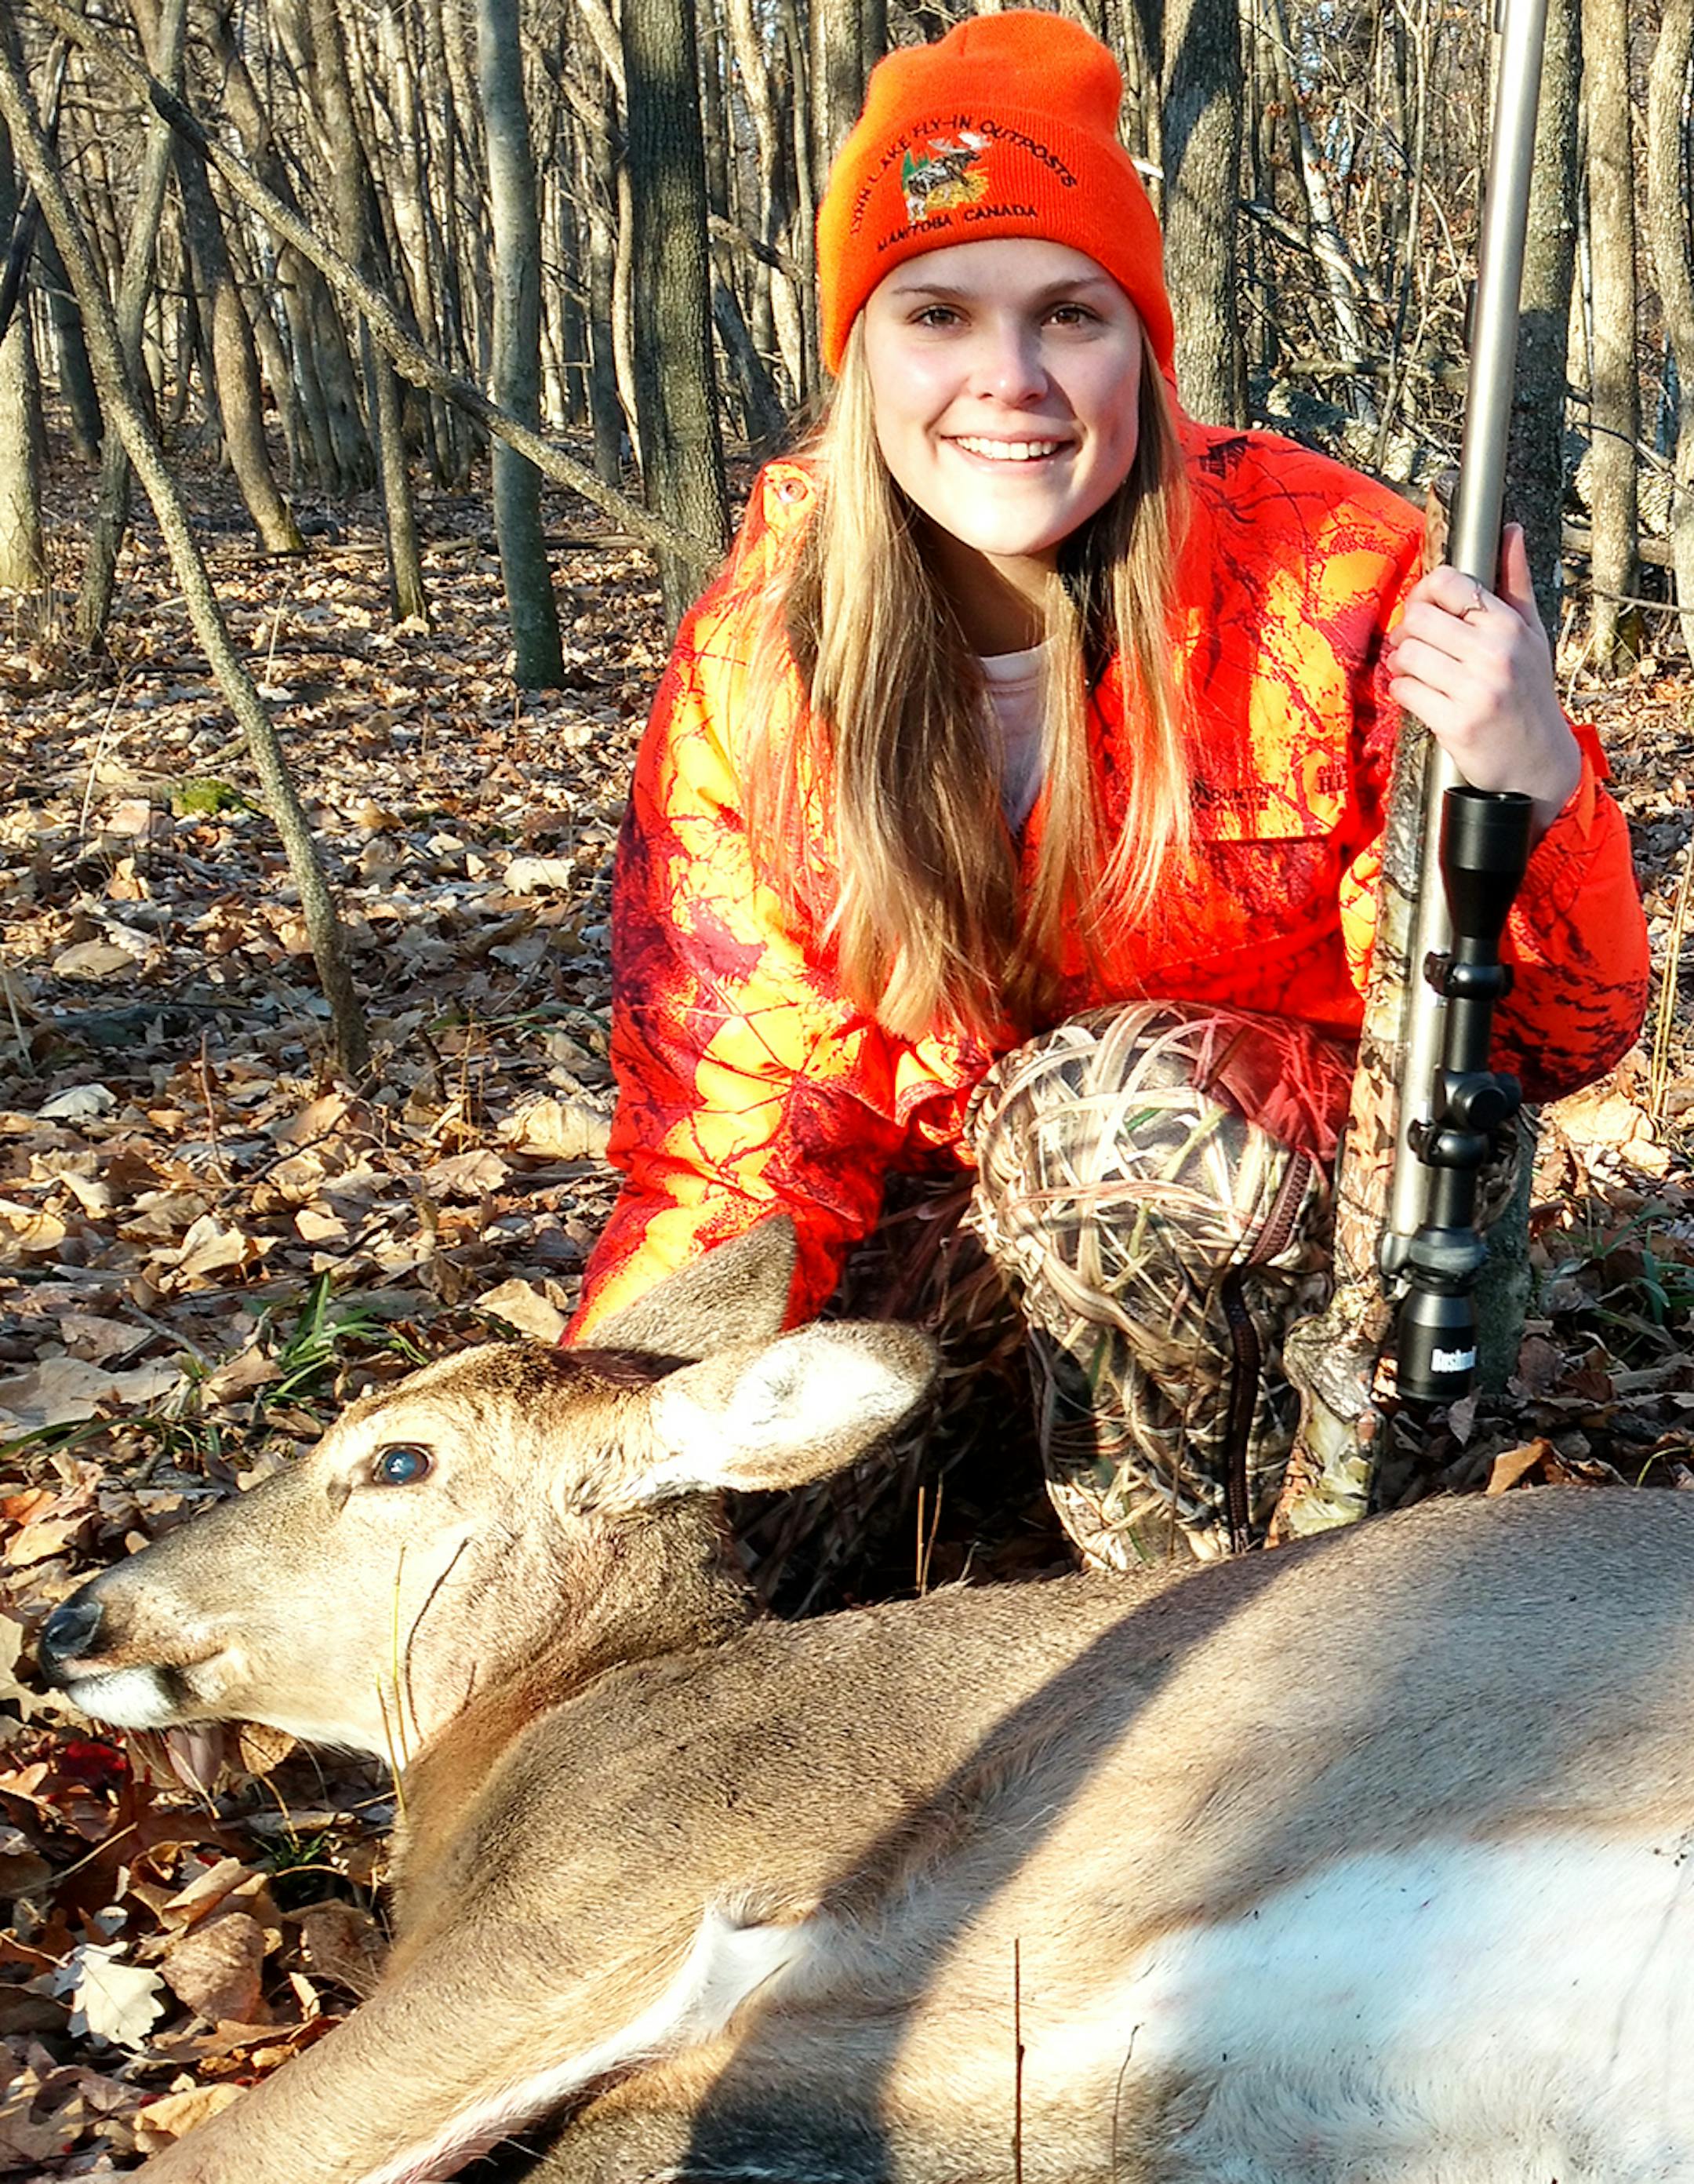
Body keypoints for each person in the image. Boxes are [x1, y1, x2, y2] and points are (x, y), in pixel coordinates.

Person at [569, 11, 1649, 1564]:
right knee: (706, 1557)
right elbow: (739, 1125)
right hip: (985, 1259)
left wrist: (1531, 778)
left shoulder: (1339, 580)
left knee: (1104, 1118)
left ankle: (1194, 1636)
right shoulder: (763, 660)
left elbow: (1555, 1035)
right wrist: (617, 1438)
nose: (1007, 382)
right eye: (937, 314)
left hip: (1310, 1282)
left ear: (1140, 342)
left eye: (1069, 315)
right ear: (860, 351)